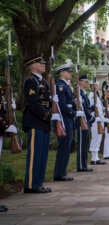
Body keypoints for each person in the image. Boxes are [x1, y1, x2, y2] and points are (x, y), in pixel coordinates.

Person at [22, 55, 52, 193]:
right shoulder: (30, 81)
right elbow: (33, 102)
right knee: (34, 155)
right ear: (32, 65)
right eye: (41, 63)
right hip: (35, 121)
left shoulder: (44, 82)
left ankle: (38, 183)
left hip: (44, 123)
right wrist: (45, 114)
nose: (43, 65)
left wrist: (51, 111)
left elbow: (48, 101)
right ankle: (30, 185)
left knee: (42, 155)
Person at [53, 62, 83, 182]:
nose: (70, 74)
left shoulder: (66, 86)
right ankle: (59, 173)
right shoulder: (60, 86)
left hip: (68, 119)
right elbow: (62, 105)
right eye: (68, 72)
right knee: (64, 147)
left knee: (67, 147)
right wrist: (74, 113)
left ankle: (62, 172)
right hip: (65, 119)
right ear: (62, 73)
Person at [76, 75, 95, 172]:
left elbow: (87, 107)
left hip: (86, 121)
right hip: (81, 121)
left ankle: (84, 164)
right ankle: (80, 165)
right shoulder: (79, 93)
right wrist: (90, 116)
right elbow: (81, 107)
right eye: (85, 82)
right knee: (82, 144)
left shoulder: (83, 93)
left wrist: (92, 111)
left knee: (85, 144)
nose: (87, 84)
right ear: (80, 82)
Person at [88, 82, 106, 165]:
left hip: (100, 120)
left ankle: (96, 157)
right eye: (95, 85)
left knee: (99, 138)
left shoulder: (97, 96)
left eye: (97, 86)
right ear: (92, 86)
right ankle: (93, 158)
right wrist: (95, 116)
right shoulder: (91, 95)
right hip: (95, 120)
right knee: (95, 138)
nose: (97, 87)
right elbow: (90, 108)